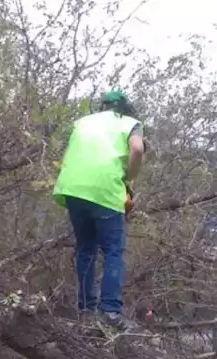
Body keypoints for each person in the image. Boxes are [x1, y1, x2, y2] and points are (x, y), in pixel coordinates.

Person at [52, 90, 145, 328]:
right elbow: (137, 149)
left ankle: (86, 309)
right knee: (113, 250)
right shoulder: (131, 124)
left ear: (102, 106)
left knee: (86, 249)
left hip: (72, 188)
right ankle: (111, 312)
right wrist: (129, 178)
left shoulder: (82, 122)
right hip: (105, 191)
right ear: (125, 108)